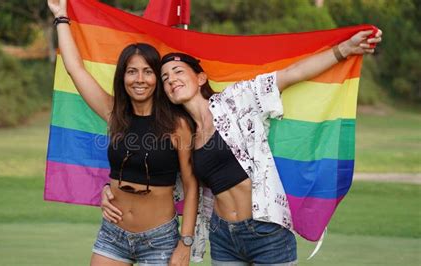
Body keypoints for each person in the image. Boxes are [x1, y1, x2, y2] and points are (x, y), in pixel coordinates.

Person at [103, 28, 383, 265]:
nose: (171, 79)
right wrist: (109, 190)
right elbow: (154, 172)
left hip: (266, 229)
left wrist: (344, 49)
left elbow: (292, 74)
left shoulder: (237, 100)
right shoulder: (183, 130)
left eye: (177, 71)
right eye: (164, 78)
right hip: (222, 236)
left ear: (200, 78)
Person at [47, 1, 199, 265]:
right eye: (131, 71)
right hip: (113, 235)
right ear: (122, 77)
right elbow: (75, 69)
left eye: (147, 72)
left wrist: (185, 242)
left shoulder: (177, 125)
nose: (139, 79)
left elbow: (191, 185)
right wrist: (61, 17)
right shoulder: (113, 112)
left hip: (159, 240)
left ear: (157, 78)